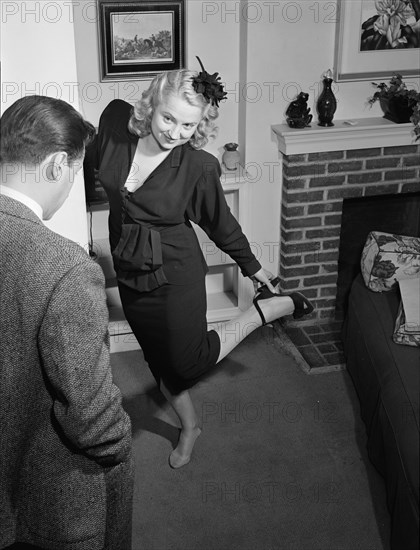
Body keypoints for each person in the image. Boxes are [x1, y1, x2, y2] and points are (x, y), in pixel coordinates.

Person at [84, 58, 313, 469]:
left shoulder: (199, 167)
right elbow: (95, 161)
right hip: (130, 268)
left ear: (201, 124)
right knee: (158, 360)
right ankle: (190, 425)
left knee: (186, 363)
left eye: (188, 126)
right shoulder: (115, 120)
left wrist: (258, 273)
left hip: (175, 275)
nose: (175, 132)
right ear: (151, 104)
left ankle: (265, 310)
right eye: (168, 118)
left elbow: (222, 227)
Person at [0, 96, 134, 550]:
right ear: (59, 165)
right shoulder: (66, 269)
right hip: (48, 495)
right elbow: (91, 416)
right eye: (76, 172)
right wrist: (119, 443)